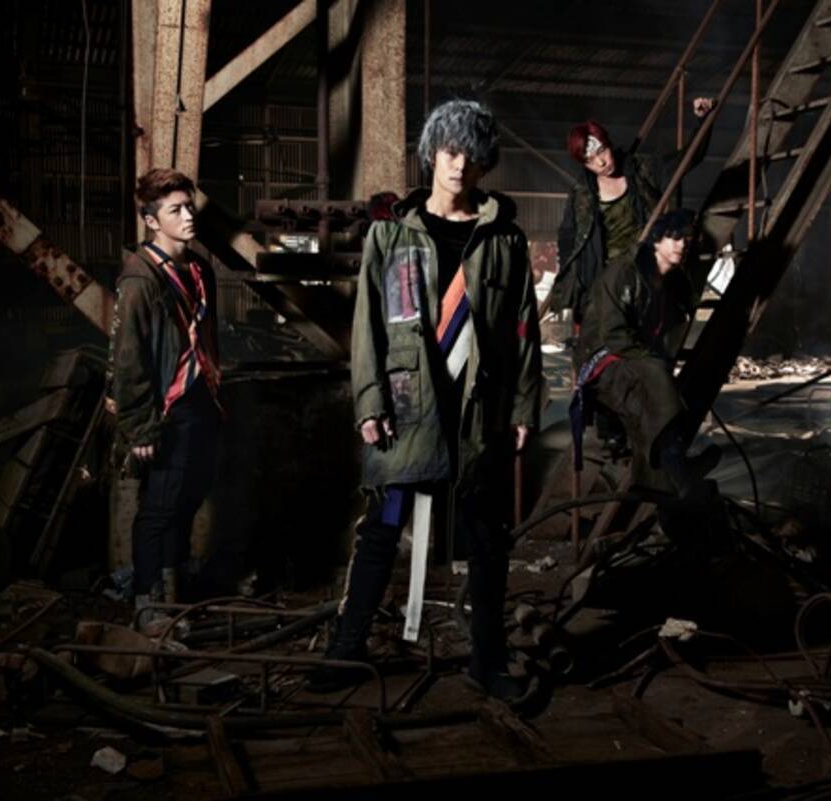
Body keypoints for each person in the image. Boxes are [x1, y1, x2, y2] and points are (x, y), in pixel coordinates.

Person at [308, 100, 542, 705]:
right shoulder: (391, 234)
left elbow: (523, 330)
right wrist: (369, 401)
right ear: (431, 155)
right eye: (450, 151)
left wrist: (524, 409)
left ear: (484, 163)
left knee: (487, 538)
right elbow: (368, 327)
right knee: (383, 527)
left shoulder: (505, 239)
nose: (459, 165)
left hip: (478, 411)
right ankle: (346, 650)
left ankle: (488, 661)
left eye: (471, 155)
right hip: (408, 406)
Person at [109, 168, 222, 612]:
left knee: (188, 499)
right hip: (166, 410)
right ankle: (148, 604)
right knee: (159, 508)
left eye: (189, 207)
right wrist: (140, 426)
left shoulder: (200, 270)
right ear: (152, 221)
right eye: (175, 210)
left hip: (202, 402)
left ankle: (174, 596)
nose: (188, 216)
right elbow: (128, 358)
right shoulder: (140, 279)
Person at [573, 209, 719, 496]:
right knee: (654, 375)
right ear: (657, 239)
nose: (682, 245)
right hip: (601, 356)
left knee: (652, 391)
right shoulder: (623, 272)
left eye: (687, 240)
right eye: (674, 237)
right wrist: (652, 359)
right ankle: (678, 469)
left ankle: (660, 478)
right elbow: (613, 333)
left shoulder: (673, 282)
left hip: (633, 356)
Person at [549, 99, 715, 341]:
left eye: (601, 151)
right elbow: (568, 239)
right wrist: (572, 284)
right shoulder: (582, 194)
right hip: (606, 281)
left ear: (609, 144)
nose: (601, 162)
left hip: (645, 274)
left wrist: (703, 121)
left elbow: (687, 160)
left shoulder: (642, 171)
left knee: (645, 341)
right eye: (590, 160)